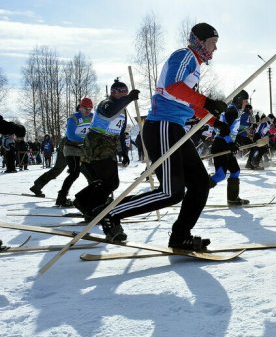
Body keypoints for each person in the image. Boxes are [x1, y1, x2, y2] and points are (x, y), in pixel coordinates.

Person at [77, 23, 228, 250]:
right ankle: (109, 213)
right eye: (213, 43)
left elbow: (187, 101)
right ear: (200, 41)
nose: (215, 49)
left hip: (175, 127)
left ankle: (180, 235)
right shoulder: (185, 56)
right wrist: (207, 101)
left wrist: (216, 122)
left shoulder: (194, 66)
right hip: (163, 126)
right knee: (171, 192)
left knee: (199, 184)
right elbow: (173, 87)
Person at [73, 79, 138, 222]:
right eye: (121, 93)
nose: (123, 95)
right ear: (114, 93)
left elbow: (120, 133)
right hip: (97, 144)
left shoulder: (122, 110)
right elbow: (109, 113)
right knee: (111, 182)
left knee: (104, 181)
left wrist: (124, 152)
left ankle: (83, 202)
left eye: (125, 93)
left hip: (109, 146)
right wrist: (128, 99)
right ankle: (91, 209)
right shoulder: (106, 104)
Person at [209, 90, 250, 206]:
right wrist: (231, 143)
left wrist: (236, 142)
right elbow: (223, 131)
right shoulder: (231, 111)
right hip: (221, 145)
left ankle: (233, 199)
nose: (246, 103)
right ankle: (197, 191)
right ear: (239, 100)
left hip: (226, 145)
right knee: (220, 175)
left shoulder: (235, 111)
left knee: (235, 171)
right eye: (245, 100)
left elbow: (233, 130)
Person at [55, 98, 94, 207]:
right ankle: (61, 198)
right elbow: (71, 136)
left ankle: (93, 198)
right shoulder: (74, 118)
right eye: (86, 108)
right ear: (80, 107)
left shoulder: (92, 117)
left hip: (83, 150)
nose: (88, 111)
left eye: (90, 109)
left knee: (92, 174)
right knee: (74, 173)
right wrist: (86, 141)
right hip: (71, 149)